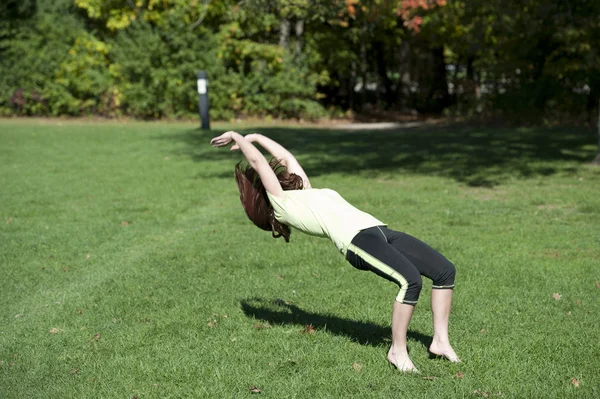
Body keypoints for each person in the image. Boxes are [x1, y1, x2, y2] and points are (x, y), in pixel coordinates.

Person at [210, 131, 460, 372]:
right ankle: (397, 351)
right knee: (410, 280)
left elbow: (285, 157)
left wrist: (254, 137)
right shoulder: (281, 204)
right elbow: (256, 160)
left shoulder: (303, 192)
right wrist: (237, 136)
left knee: (444, 271)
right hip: (357, 241)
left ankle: (440, 341)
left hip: (380, 229)